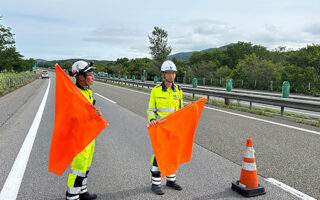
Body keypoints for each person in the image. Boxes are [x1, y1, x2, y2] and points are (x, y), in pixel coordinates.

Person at [147, 60, 184, 195]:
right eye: (169, 73)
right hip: (161, 129)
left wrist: (189, 108)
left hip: (174, 129)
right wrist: (152, 119)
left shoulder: (178, 90)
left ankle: (170, 180)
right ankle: (155, 184)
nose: (171, 75)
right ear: (163, 74)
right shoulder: (156, 91)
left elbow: (180, 110)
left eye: (173, 73)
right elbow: (151, 109)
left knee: (173, 155)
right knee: (158, 156)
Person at [66, 60, 101, 200]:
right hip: (79, 137)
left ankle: (82, 192)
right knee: (78, 168)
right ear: (80, 77)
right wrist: (92, 114)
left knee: (86, 166)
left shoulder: (87, 91)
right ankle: (72, 196)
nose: (93, 77)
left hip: (89, 135)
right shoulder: (75, 93)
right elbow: (73, 116)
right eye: (90, 75)